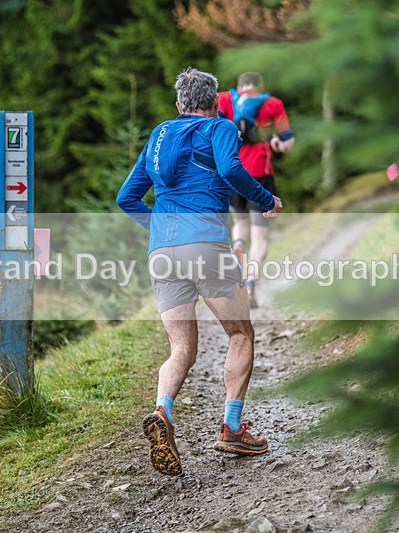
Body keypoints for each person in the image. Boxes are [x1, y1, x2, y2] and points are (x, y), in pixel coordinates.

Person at [116, 67, 283, 476]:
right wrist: (264, 199)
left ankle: (163, 411)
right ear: (213, 103)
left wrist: (158, 226)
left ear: (178, 105)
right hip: (206, 245)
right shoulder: (220, 127)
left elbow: (127, 197)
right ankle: (230, 427)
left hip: (162, 252)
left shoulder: (158, 135)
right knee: (240, 333)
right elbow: (229, 169)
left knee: (181, 350)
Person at [217, 72, 294, 308]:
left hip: (232, 173)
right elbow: (287, 144)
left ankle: (238, 247)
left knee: (240, 225)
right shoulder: (272, 104)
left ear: (238, 86)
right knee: (260, 238)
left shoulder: (222, 99)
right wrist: (276, 143)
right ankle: (250, 282)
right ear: (259, 87)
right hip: (260, 173)